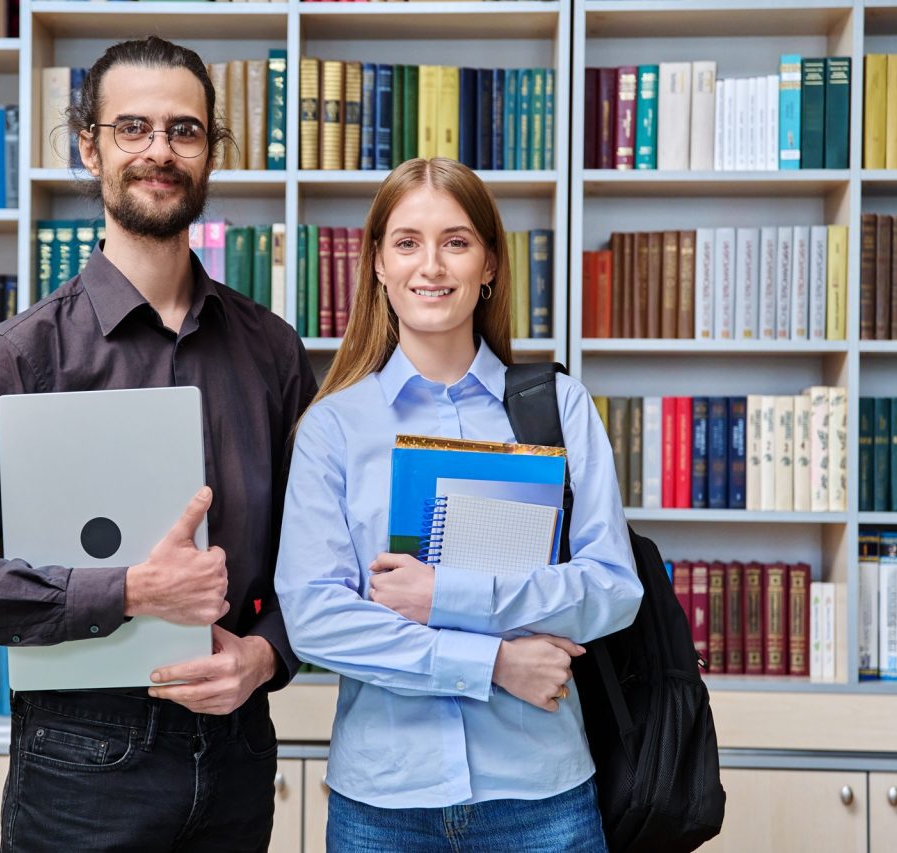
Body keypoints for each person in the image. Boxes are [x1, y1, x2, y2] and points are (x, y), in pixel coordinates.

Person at [0, 36, 317, 853]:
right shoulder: (19, 357)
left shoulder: (272, 350)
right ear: (89, 145)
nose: (160, 152)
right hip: (83, 761)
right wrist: (128, 589)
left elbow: (319, 556)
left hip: (237, 750)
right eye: (133, 127)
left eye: (184, 131)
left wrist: (267, 657)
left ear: (210, 152)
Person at [274, 157, 643, 852]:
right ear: (378, 265)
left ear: (491, 264)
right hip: (383, 802)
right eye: (407, 242)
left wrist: (445, 593)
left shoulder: (558, 407)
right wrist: (493, 664)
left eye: (457, 240)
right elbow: (317, 620)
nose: (431, 265)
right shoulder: (333, 427)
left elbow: (613, 589)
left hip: (540, 796)